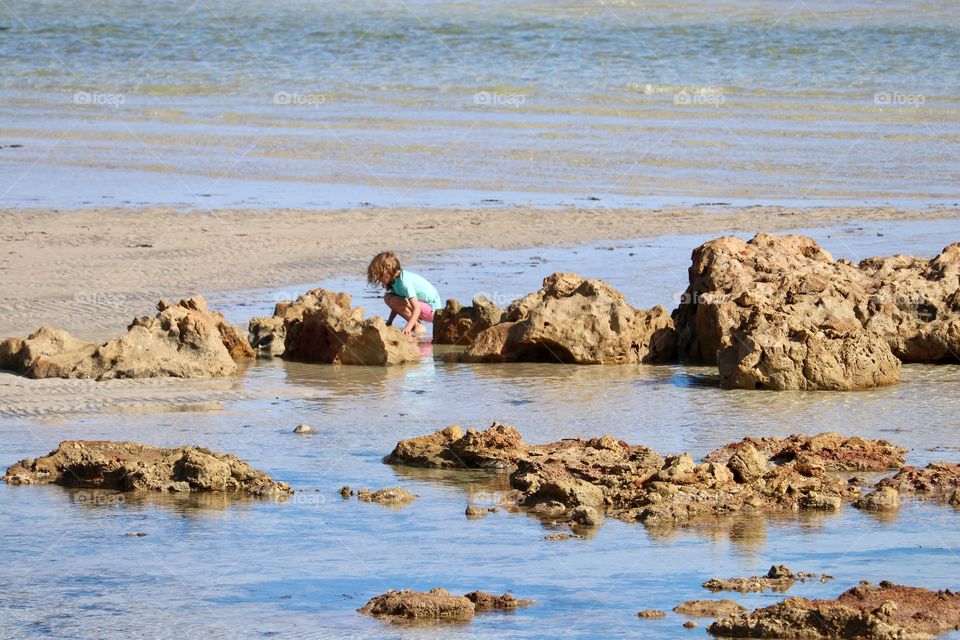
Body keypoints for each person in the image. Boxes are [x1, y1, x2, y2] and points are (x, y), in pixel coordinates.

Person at [366, 251, 442, 338]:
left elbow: (416, 308)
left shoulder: (404, 282)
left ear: (388, 270)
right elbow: (395, 306)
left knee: (394, 300)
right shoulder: (393, 282)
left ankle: (418, 326)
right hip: (421, 307)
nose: (378, 278)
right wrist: (390, 321)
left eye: (379, 274)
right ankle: (414, 323)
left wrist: (407, 328)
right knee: (388, 297)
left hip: (432, 310)